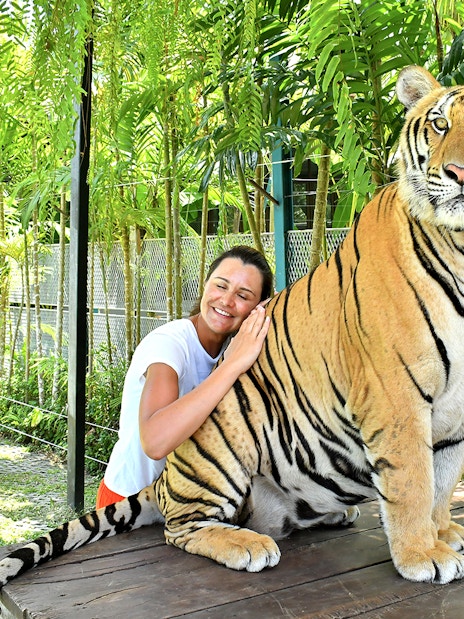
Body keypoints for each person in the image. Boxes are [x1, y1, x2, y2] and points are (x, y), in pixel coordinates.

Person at [96, 245, 273, 509]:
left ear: (257, 308)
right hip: (128, 503)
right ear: (205, 285)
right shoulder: (169, 344)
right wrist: (232, 365)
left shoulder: (236, 348)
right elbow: (155, 442)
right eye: (221, 286)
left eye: (243, 295)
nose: (226, 300)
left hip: (189, 505)